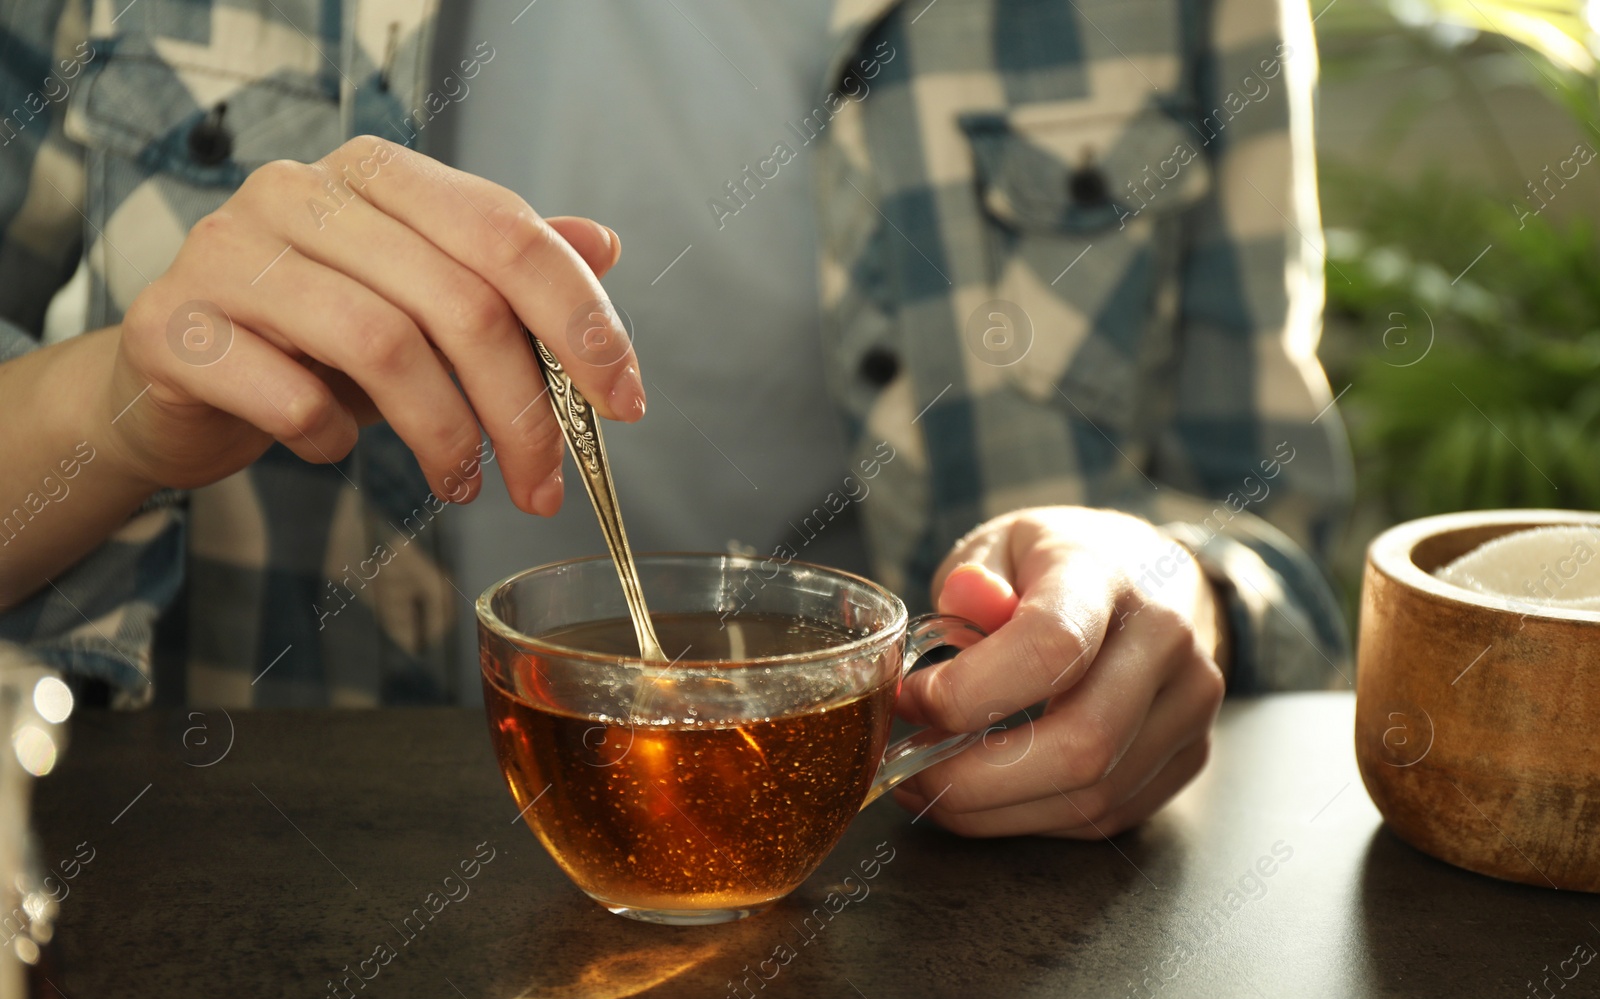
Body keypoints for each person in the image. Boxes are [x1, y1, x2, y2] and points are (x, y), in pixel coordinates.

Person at [0, 0, 1351, 838]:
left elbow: (1263, 522)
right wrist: (114, 412)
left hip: (933, 942)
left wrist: (1168, 591)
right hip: (228, 921)